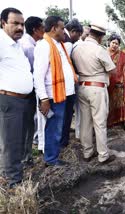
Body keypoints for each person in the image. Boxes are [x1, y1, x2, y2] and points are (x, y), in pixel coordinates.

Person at [33, 16, 77, 167]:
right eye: (62, 27)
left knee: (60, 127)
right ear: (53, 28)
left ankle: (54, 155)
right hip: (54, 96)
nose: (64, 31)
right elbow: (38, 76)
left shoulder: (59, 44)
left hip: (65, 93)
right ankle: (51, 160)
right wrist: (44, 99)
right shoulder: (44, 45)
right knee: (54, 127)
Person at [72, 24, 116, 163]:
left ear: (90, 33)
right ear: (100, 36)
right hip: (97, 88)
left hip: (82, 87)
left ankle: (87, 153)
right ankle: (103, 155)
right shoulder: (99, 50)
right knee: (99, 122)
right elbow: (112, 70)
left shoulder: (76, 48)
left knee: (85, 122)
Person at [0, 7, 33, 188]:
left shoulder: (16, 44)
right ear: (3, 23)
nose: (20, 27)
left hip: (22, 100)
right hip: (9, 100)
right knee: (11, 143)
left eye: (22, 24)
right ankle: (12, 183)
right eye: (15, 23)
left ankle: (13, 174)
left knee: (18, 141)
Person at [19, 16, 44, 166]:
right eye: (42, 28)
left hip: (23, 91)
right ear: (35, 30)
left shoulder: (27, 43)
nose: (44, 30)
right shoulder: (29, 47)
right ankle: (25, 158)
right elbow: (35, 72)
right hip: (26, 92)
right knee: (27, 125)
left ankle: (25, 156)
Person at [107, 34, 125, 130]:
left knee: (121, 102)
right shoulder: (104, 53)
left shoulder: (122, 55)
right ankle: (110, 121)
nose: (114, 45)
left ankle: (123, 121)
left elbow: (124, 68)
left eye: (117, 44)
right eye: (113, 43)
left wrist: (122, 79)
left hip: (120, 81)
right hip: (107, 81)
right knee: (109, 102)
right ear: (109, 42)